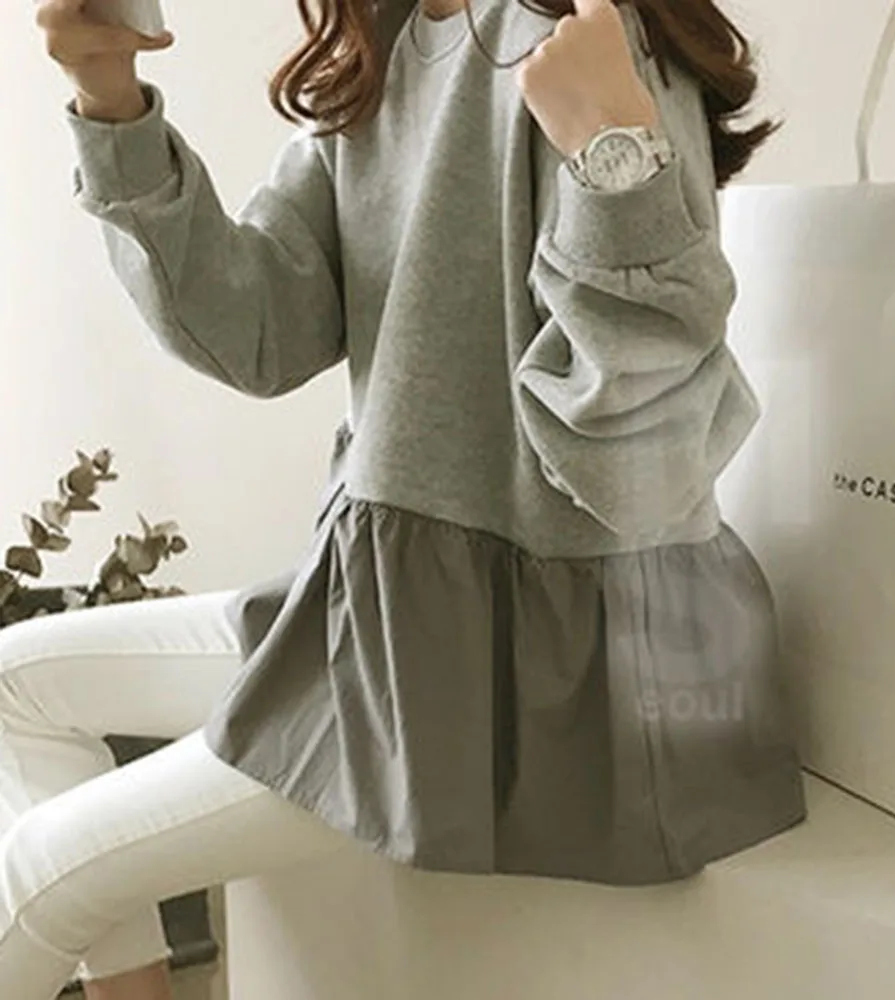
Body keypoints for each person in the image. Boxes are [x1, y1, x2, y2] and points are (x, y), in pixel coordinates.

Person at [6, 0, 807, 996]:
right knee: (14, 686)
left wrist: (611, 148)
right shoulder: (385, 44)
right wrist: (110, 100)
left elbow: (642, 465)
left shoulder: (588, 33)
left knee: (38, 874)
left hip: (528, 665)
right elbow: (257, 331)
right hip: (378, 617)